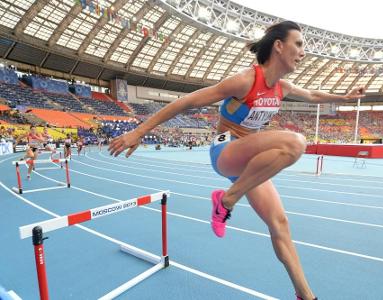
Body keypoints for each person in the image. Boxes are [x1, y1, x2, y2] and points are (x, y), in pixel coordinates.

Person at [108, 21, 365, 300]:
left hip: (249, 164)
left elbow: (314, 95)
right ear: (279, 46)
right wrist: (139, 131)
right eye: (299, 44)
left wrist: (344, 96)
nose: (303, 52)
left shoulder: (283, 87)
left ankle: (306, 296)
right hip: (226, 151)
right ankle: (226, 201)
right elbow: (187, 102)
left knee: (280, 223)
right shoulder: (245, 80)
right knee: (295, 143)